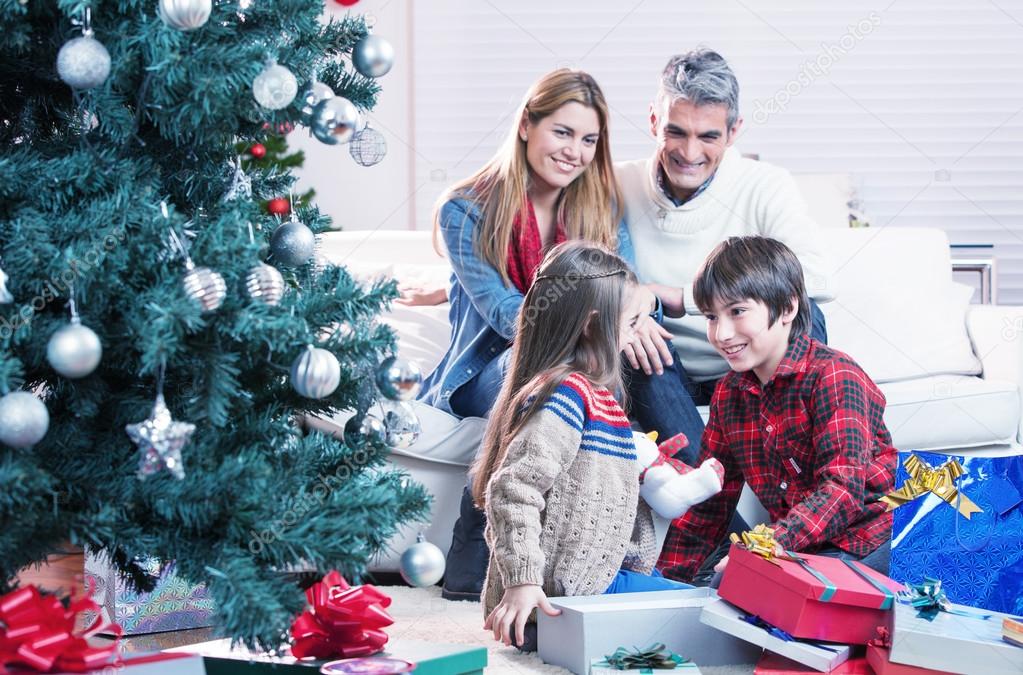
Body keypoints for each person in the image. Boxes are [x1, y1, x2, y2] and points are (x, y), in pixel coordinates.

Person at [417, 69, 654, 602]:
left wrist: (639, 309)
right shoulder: (466, 208)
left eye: (589, 139)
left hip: (583, 349)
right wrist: (601, 313)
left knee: (647, 353)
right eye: (563, 132)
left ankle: (700, 518)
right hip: (489, 368)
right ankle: (472, 554)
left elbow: (626, 290)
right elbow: (507, 316)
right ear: (527, 124)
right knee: (551, 369)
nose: (575, 151)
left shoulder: (602, 205)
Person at [475, 243, 718, 651]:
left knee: (701, 600)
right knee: (714, 616)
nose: (639, 331)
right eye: (633, 321)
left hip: (590, 579)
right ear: (592, 325)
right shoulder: (567, 394)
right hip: (565, 594)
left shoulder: (595, 396)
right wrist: (522, 581)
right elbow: (513, 488)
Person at [617, 48, 834, 461]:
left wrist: (684, 296)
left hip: (750, 370)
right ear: (652, 121)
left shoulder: (765, 184)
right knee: (626, 336)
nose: (689, 152)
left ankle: (798, 478)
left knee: (806, 311)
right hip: (661, 373)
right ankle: (717, 507)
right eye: (676, 131)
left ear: (733, 132)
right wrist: (626, 310)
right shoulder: (615, 183)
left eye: (708, 136)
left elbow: (819, 277)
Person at [656, 236, 895, 586]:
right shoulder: (729, 394)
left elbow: (841, 493)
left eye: (737, 311)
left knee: (742, 586)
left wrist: (762, 545)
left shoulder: (834, 375)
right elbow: (710, 503)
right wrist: (665, 581)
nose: (721, 334)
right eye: (711, 317)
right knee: (709, 588)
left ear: (786, 309)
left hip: (867, 542)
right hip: (802, 547)